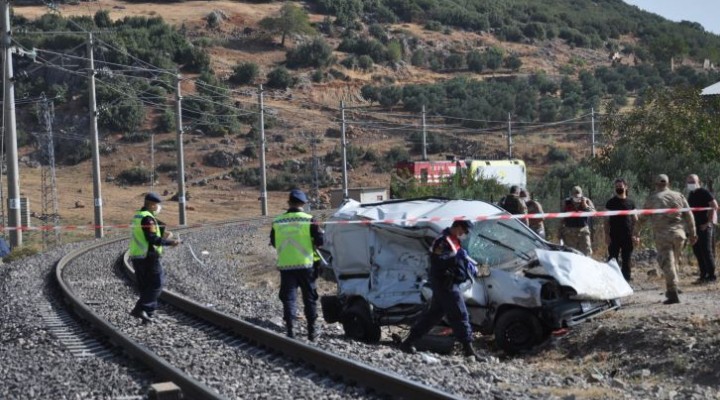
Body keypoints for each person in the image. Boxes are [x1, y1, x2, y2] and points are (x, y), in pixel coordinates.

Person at [400, 220, 480, 360]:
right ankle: (469, 350)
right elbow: (438, 262)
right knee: (460, 314)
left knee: (432, 316)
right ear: (458, 226)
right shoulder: (443, 241)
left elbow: (457, 259)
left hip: (448, 284)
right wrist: (455, 260)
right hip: (446, 284)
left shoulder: (454, 240)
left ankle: (408, 342)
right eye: (464, 230)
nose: (465, 234)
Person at [270, 189, 324, 340]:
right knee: (309, 298)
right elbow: (320, 242)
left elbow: (274, 242)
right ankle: (312, 331)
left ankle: (290, 330)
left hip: (286, 266)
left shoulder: (278, 221)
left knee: (289, 298)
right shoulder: (310, 220)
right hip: (306, 265)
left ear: (289, 203)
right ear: (304, 203)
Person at [634, 174, 697, 304]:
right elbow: (689, 214)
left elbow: (642, 218)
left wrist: (636, 233)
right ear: (668, 183)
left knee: (667, 264)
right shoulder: (679, 196)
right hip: (679, 235)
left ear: (656, 184)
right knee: (674, 261)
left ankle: (672, 292)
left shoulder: (652, 198)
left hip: (663, 235)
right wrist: (693, 233)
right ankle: (675, 286)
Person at [129, 192, 180, 324]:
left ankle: (146, 315)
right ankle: (143, 309)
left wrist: (163, 233)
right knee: (157, 283)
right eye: (157, 205)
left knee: (146, 286)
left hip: (137, 256)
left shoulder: (139, 215)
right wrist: (170, 243)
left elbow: (148, 231)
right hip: (148, 257)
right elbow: (152, 238)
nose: (158, 207)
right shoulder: (148, 218)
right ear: (151, 205)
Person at [686, 174, 718, 283]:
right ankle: (703, 275)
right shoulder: (691, 194)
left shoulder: (704, 192)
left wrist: (708, 223)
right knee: (698, 251)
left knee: (706, 251)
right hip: (695, 228)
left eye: (692, 181)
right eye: (689, 182)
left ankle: (711, 276)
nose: (690, 184)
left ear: (698, 181)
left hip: (705, 227)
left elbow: (714, 206)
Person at [605, 178, 638, 281]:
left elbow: (636, 220)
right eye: (617, 186)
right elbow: (606, 220)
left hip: (628, 236)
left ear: (626, 187)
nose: (619, 187)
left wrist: (636, 235)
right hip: (614, 236)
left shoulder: (631, 203)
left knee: (626, 259)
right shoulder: (610, 203)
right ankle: (611, 279)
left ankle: (626, 280)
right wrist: (606, 235)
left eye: (621, 186)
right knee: (612, 258)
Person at [560, 186, 595, 256]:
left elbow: (594, 213)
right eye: (575, 197)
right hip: (569, 232)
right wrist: (560, 233)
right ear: (571, 196)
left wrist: (585, 206)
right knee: (570, 254)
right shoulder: (566, 202)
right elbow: (561, 218)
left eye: (578, 197)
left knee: (587, 253)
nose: (577, 199)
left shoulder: (586, 201)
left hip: (583, 231)